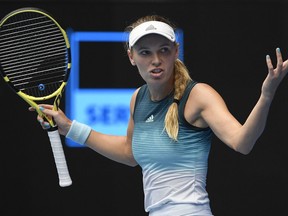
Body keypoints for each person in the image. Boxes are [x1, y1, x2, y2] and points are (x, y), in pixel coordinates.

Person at [30, 15, 288, 216]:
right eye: (145, 52)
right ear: (131, 57)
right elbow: (130, 153)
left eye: (164, 50)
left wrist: (266, 96)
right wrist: (69, 127)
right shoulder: (138, 99)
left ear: (176, 51)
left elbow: (242, 143)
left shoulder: (198, 95)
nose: (156, 60)